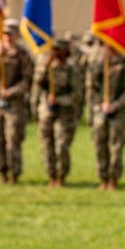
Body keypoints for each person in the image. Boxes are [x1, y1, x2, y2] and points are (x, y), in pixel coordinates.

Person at [0, 19, 34, 185]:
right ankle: (1, 171)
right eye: (5, 34)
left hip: (15, 105)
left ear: (17, 35)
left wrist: (9, 92)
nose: (8, 37)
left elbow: (26, 82)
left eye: (11, 34)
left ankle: (14, 173)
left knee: (13, 138)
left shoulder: (23, 55)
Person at [87, 42, 125, 190]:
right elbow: (91, 86)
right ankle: (102, 177)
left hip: (118, 111)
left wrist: (115, 105)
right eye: (104, 44)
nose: (107, 47)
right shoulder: (98, 62)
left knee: (116, 146)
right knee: (99, 145)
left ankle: (113, 178)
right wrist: (100, 104)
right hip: (100, 110)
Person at [32, 37, 82, 187]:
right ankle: (51, 174)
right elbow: (38, 82)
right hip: (46, 112)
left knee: (61, 146)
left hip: (65, 113)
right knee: (47, 145)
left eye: (59, 50)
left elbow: (77, 95)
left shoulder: (72, 70)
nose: (55, 53)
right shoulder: (47, 68)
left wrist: (59, 100)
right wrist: (44, 67)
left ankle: (61, 175)